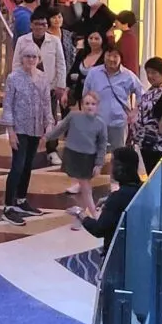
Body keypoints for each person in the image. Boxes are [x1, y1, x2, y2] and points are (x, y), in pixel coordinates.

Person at [0, 42, 53, 225]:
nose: (30, 60)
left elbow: (47, 103)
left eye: (34, 57)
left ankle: (21, 199)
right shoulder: (13, 78)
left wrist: (49, 125)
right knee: (18, 165)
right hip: (19, 128)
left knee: (29, 164)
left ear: (38, 59)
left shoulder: (43, 78)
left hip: (36, 127)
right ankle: (8, 206)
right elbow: (7, 105)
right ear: (21, 58)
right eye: (27, 56)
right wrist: (10, 131)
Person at [13, 9, 66, 166]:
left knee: (50, 118)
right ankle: (30, 146)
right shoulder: (22, 41)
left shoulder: (54, 41)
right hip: (27, 87)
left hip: (48, 87)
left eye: (43, 24)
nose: (40, 27)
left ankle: (52, 149)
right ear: (31, 25)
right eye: (37, 24)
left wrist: (60, 85)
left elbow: (61, 64)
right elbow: (16, 63)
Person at [45, 92, 106, 226]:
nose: (90, 106)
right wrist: (47, 137)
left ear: (97, 106)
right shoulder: (73, 117)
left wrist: (99, 163)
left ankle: (91, 214)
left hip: (87, 158)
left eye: (93, 104)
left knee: (85, 187)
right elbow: (60, 128)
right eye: (87, 103)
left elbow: (102, 145)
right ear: (82, 105)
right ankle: (83, 213)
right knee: (81, 185)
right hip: (73, 154)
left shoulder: (100, 124)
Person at [70, 147, 142, 256]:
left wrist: (80, 214)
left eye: (112, 163)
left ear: (120, 168)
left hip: (117, 257)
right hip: (138, 251)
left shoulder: (117, 199)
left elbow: (99, 229)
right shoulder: (143, 191)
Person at [83, 48, 143, 151]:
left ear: (120, 58)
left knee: (116, 156)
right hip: (96, 122)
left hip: (118, 123)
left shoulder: (128, 75)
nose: (111, 59)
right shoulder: (93, 72)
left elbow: (141, 94)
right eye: (108, 55)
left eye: (115, 56)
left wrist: (135, 111)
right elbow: (85, 94)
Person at [129, 57, 162, 175]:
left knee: (158, 176)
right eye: (148, 72)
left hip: (156, 146)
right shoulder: (154, 88)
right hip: (146, 143)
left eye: (154, 73)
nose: (150, 76)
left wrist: (157, 137)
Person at [65, 30, 108, 109]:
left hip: (99, 98)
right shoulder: (82, 53)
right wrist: (66, 91)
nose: (93, 41)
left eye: (96, 39)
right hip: (79, 96)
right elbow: (71, 73)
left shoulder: (106, 56)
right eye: (90, 38)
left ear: (103, 40)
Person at [115, 10, 140, 76]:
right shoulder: (127, 34)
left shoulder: (129, 37)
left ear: (125, 23)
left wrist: (111, 38)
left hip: (126, 73)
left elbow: (120, 53)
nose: (115, 22)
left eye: (118, 21)